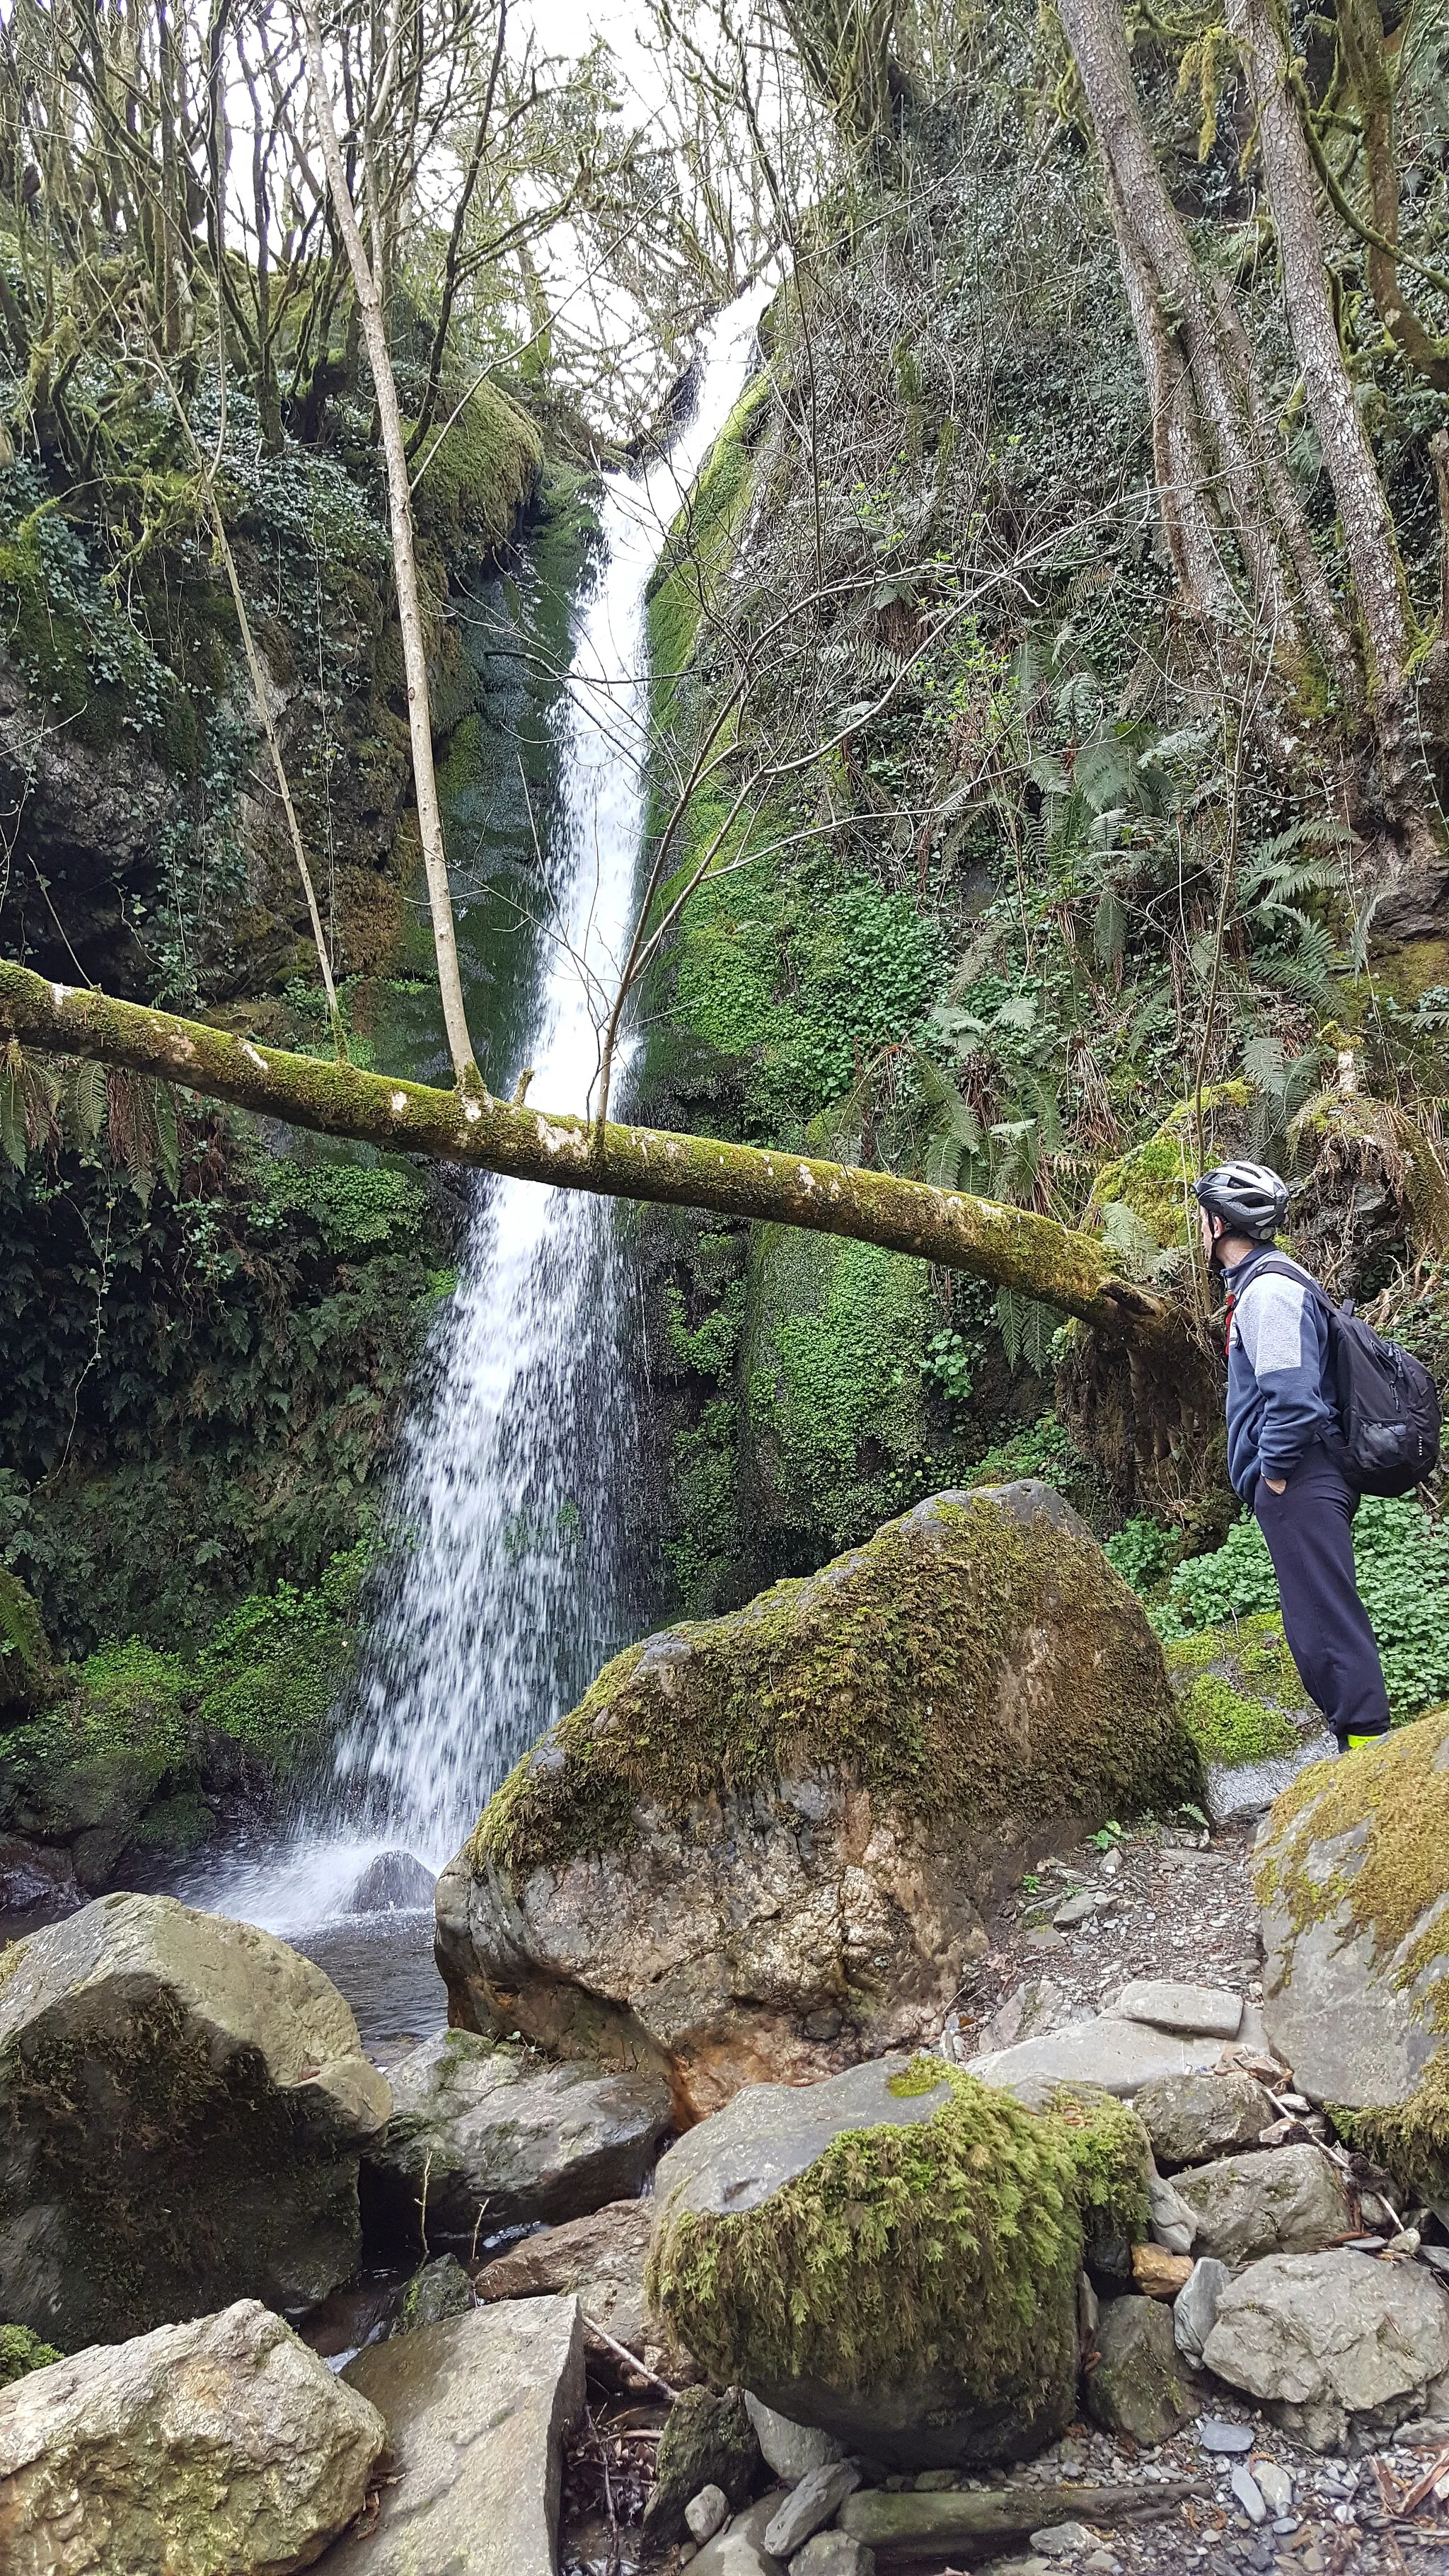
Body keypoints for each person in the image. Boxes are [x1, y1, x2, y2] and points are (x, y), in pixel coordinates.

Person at [1193, 1159, 1391, 1756]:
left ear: (1222, 1222)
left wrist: (1273, 1473)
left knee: (1325, 1626)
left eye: (1203, 1217)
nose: (1198, 1228)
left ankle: (1369, 1761)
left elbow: (1294, 1400)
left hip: (1301, 1478)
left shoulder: (1270, 1291)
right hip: (1302, 1479)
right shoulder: (1263, 1283)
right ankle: (1357, 1753)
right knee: (1317, 1622)